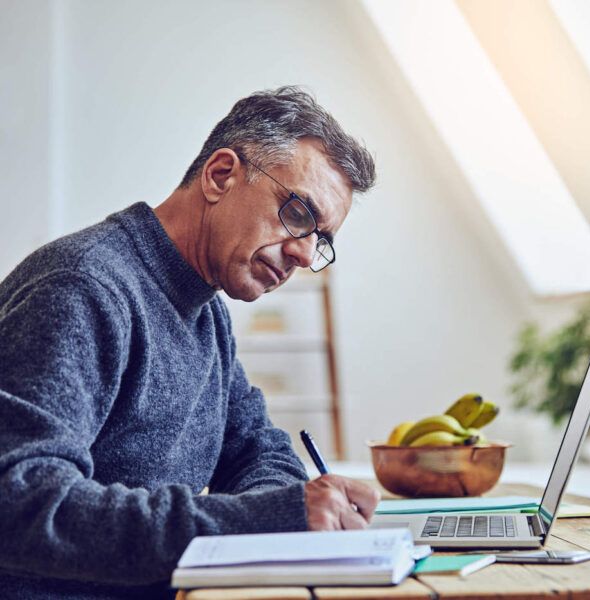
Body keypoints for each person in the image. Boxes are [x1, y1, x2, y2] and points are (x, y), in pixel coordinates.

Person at [0, 86, 380, 598]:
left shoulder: (207, 313)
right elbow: (21, 503)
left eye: (322, 240)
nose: (305, 255)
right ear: (221, 175)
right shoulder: (82, 288)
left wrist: (270, 516)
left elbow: (259, 453)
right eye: (297, 214)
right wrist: (261, 520)